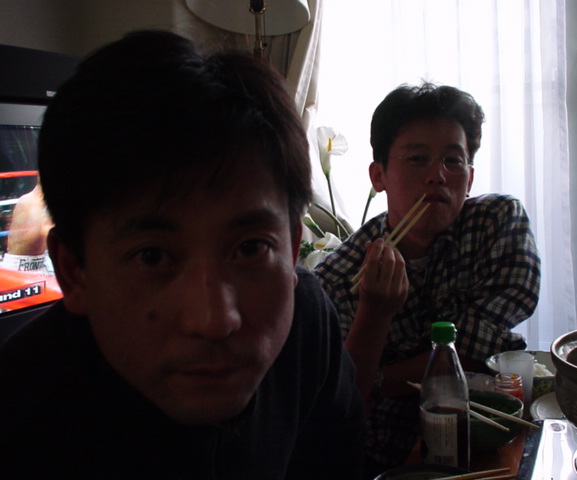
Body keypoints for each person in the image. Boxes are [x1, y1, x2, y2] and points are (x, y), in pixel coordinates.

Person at [0, 31, 365, 479]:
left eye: (250, 248)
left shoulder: (307, 325)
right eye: (152, 257)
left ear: (292, 250)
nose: (215, 320)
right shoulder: (20, 416)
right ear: (75, 271)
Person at [315, 82, 541, 475]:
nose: (437, 175)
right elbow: (343, 399)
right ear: (379, 175)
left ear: (470, 178)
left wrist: (385, 379)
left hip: (491, 438)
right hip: (387, 458)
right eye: (417, 159)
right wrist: (375, 311)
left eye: (453, 161)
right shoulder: (339, 275)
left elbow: (484, 339)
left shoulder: (496, 222)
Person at [0, 178, 55, 275]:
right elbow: (47, 232)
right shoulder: (30, 202)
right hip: (21, 266)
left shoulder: (43, 204)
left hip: (42, 262)